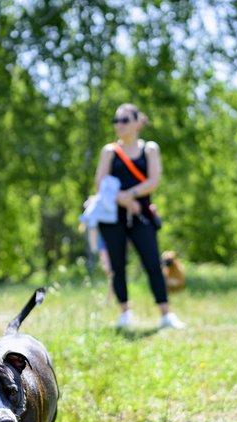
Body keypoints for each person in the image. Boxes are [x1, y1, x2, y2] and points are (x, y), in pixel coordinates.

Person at [93, 103, 185, 329]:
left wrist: (131, 195)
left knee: (152, 262)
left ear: (137, 122)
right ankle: (125, 313)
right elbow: (100, 183)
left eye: (124, 120)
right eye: (116, 120)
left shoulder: (149, 149)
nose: (119, 124)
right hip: (113, 217)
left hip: (141, 215)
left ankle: (166, 314)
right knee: (117, 266)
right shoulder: (109, 151)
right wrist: (123, 199)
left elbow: (153, 181)